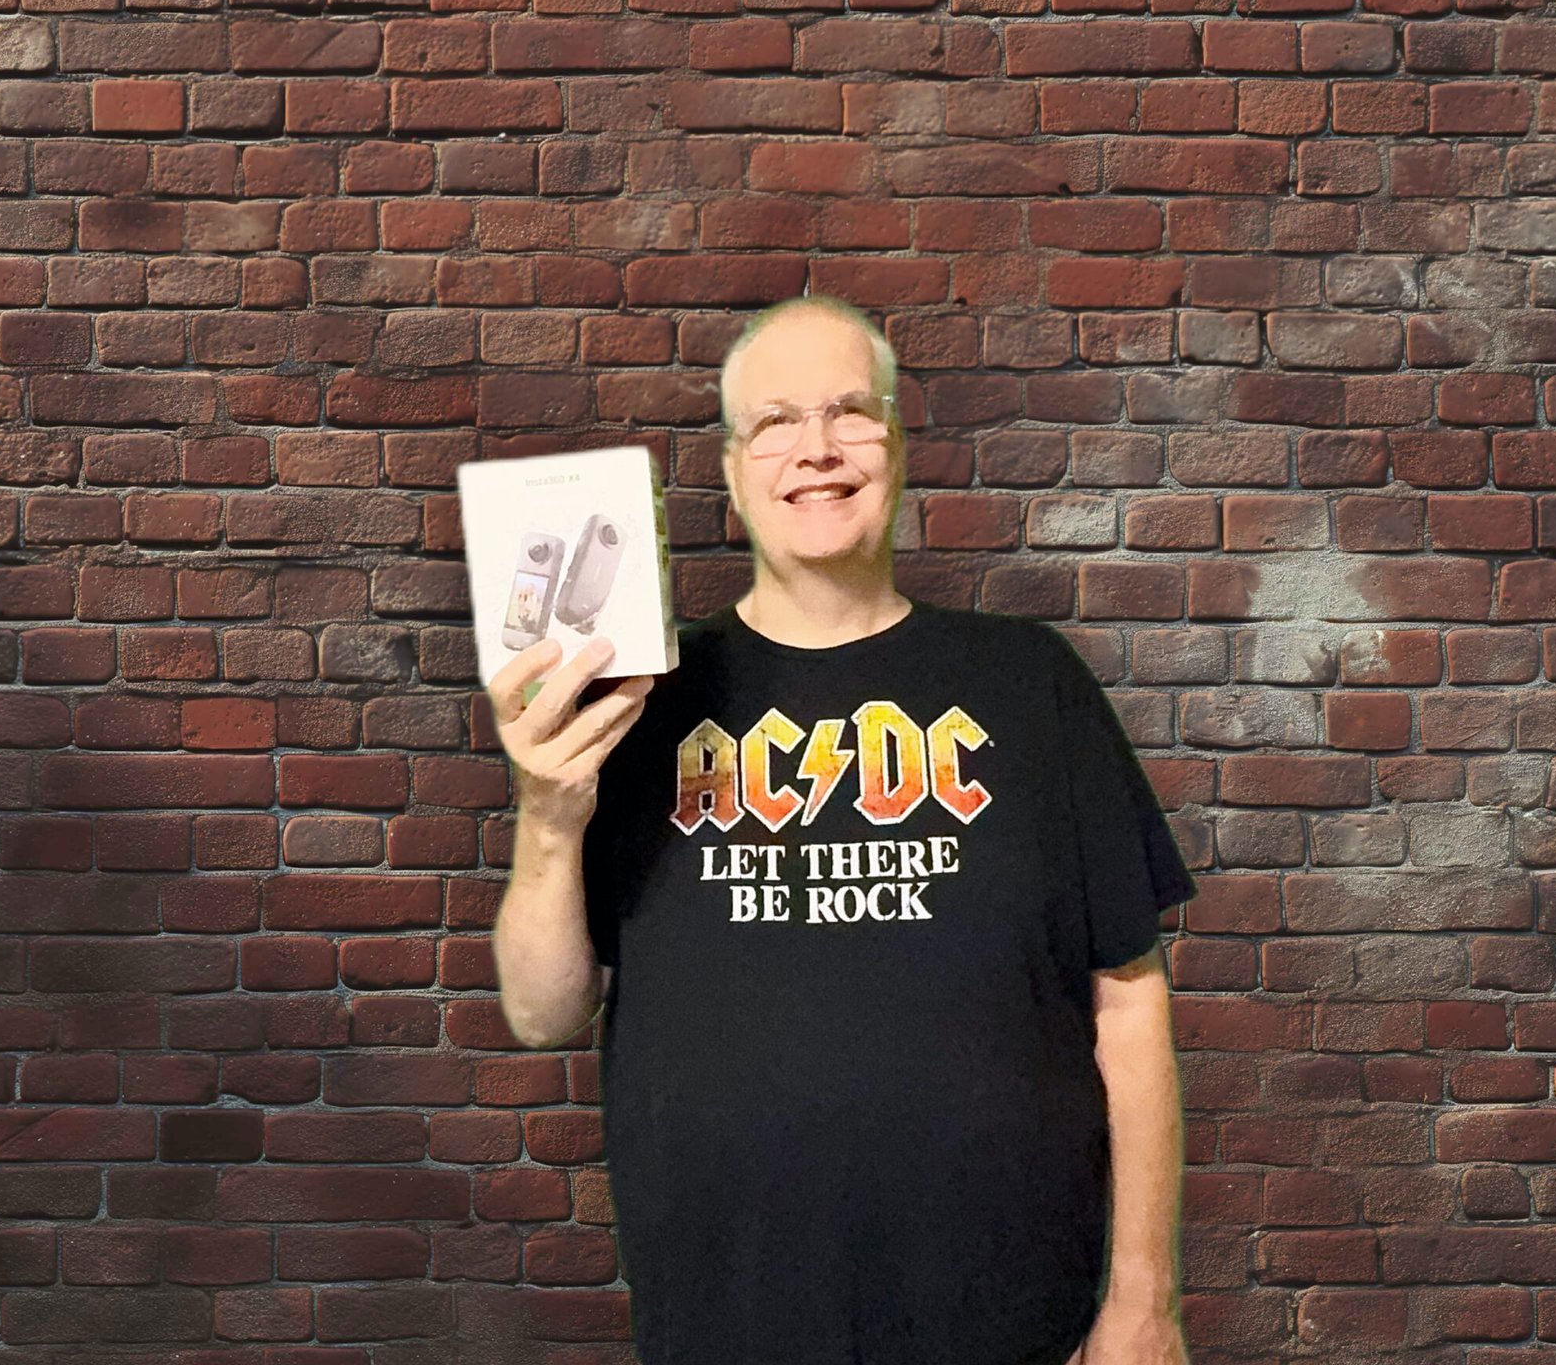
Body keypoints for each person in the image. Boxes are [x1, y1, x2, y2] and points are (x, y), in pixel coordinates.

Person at [490, 294, 1199, 1365]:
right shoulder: (637, 700)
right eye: (773, 421)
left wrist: (1143, 1304)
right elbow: (542, 1012)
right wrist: (548, 813)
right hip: (727, 1323)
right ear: (731, 476)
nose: (815, 448)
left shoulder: (1028, 682)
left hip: (1009, 1321)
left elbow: (1130, 1002)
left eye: (847, 413)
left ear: (899, 448)